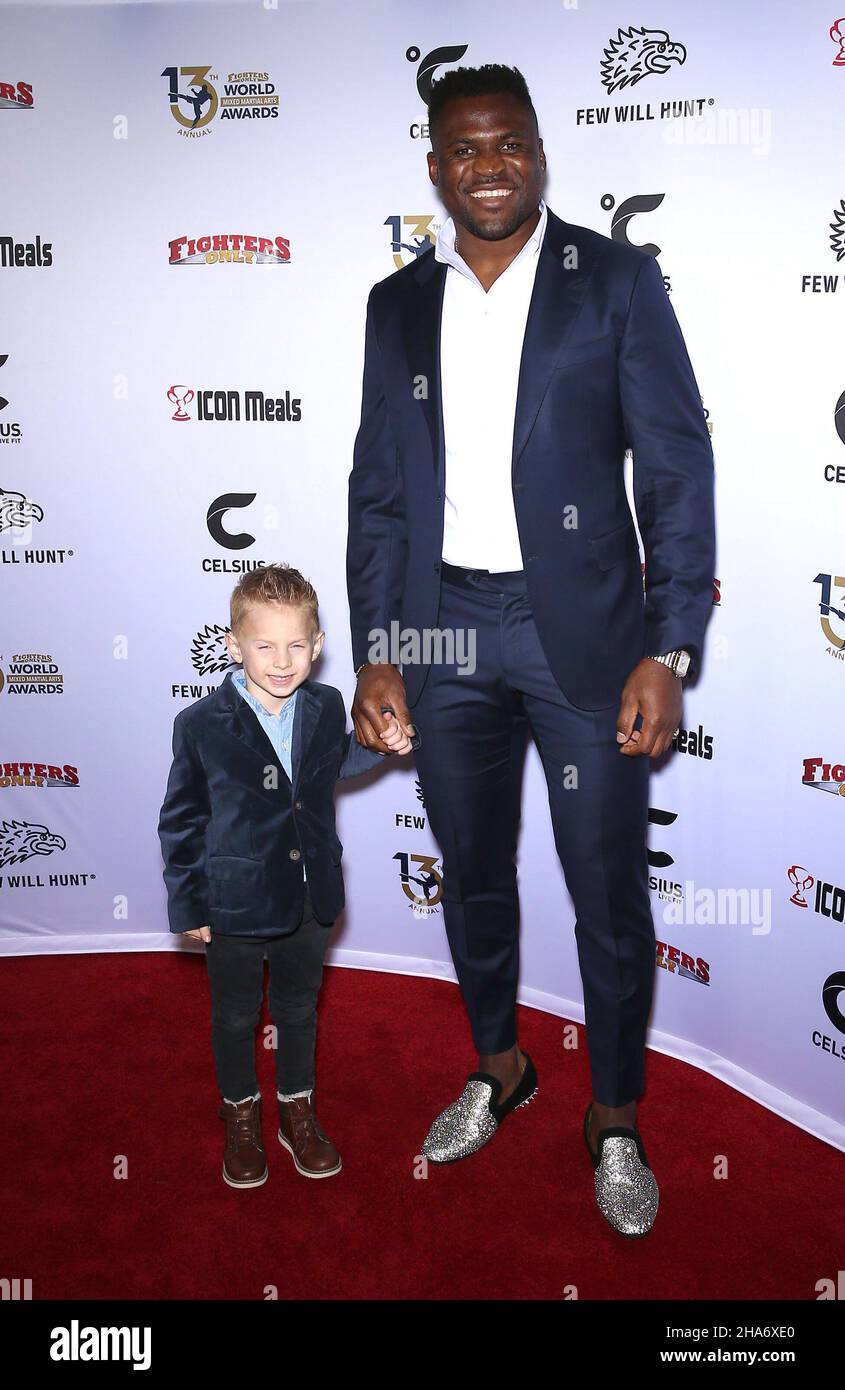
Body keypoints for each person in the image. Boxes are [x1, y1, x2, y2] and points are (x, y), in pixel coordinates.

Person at [346, 64, 715, 1236]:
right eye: (464, 147)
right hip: (442, 629)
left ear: (540, 153)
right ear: (433, 167)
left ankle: (613, 1116)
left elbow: (673, 467)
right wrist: (379, 649)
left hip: (585, 639)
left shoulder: (611, 280)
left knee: (606, 889)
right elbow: (379, 495)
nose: (489, 165)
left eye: (508, 143)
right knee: (473, 869)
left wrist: (671, 645)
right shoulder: (394, 304)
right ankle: (500, 1064)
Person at [157, 563, 411, 1188]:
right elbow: (181, 819)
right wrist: (190, 905)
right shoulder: (200, 725)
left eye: (296, 645)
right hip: (235, 902)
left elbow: (333, 764)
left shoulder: (325, 706)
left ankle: (298, 1109)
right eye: (264, 645)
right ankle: (241, 1114)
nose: (281, 660)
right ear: (233, 644)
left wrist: (381, 742)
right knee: (235, 1016)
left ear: (318, 646)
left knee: (299, 1009)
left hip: (309, 897)